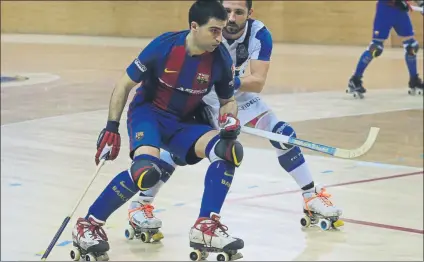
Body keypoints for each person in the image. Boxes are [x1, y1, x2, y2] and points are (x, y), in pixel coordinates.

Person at [127, 0, 343, 237]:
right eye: (227, 11)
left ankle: (311, 195)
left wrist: (226, 83)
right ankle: (141, 204)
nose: (231, 17)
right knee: (181, 153)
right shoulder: (208, 30)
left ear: (249, 14)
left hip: (236, 96)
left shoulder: (259, 34)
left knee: (283, 135)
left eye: (239, 12)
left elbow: (258, 81)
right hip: (203, 97)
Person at [71, 0, 246, 260]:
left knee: (228, 151)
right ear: (194, 27)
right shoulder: (164, 46)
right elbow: (123, 84)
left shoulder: (219, 59)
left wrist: (230, 119)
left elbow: (227, 101)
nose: (219, 38)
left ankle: (205, 226)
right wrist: (111, 127)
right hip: (149, 114)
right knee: (146, 171)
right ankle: (89, 225)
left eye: (221, 30)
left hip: (185, 121)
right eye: (214, 30)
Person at [347, 0, 424, 99]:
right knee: (376, 48)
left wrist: (421, 3)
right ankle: (355, 80)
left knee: (412, 46)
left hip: (400, 12)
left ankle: (414, 80)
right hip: (386, 10)